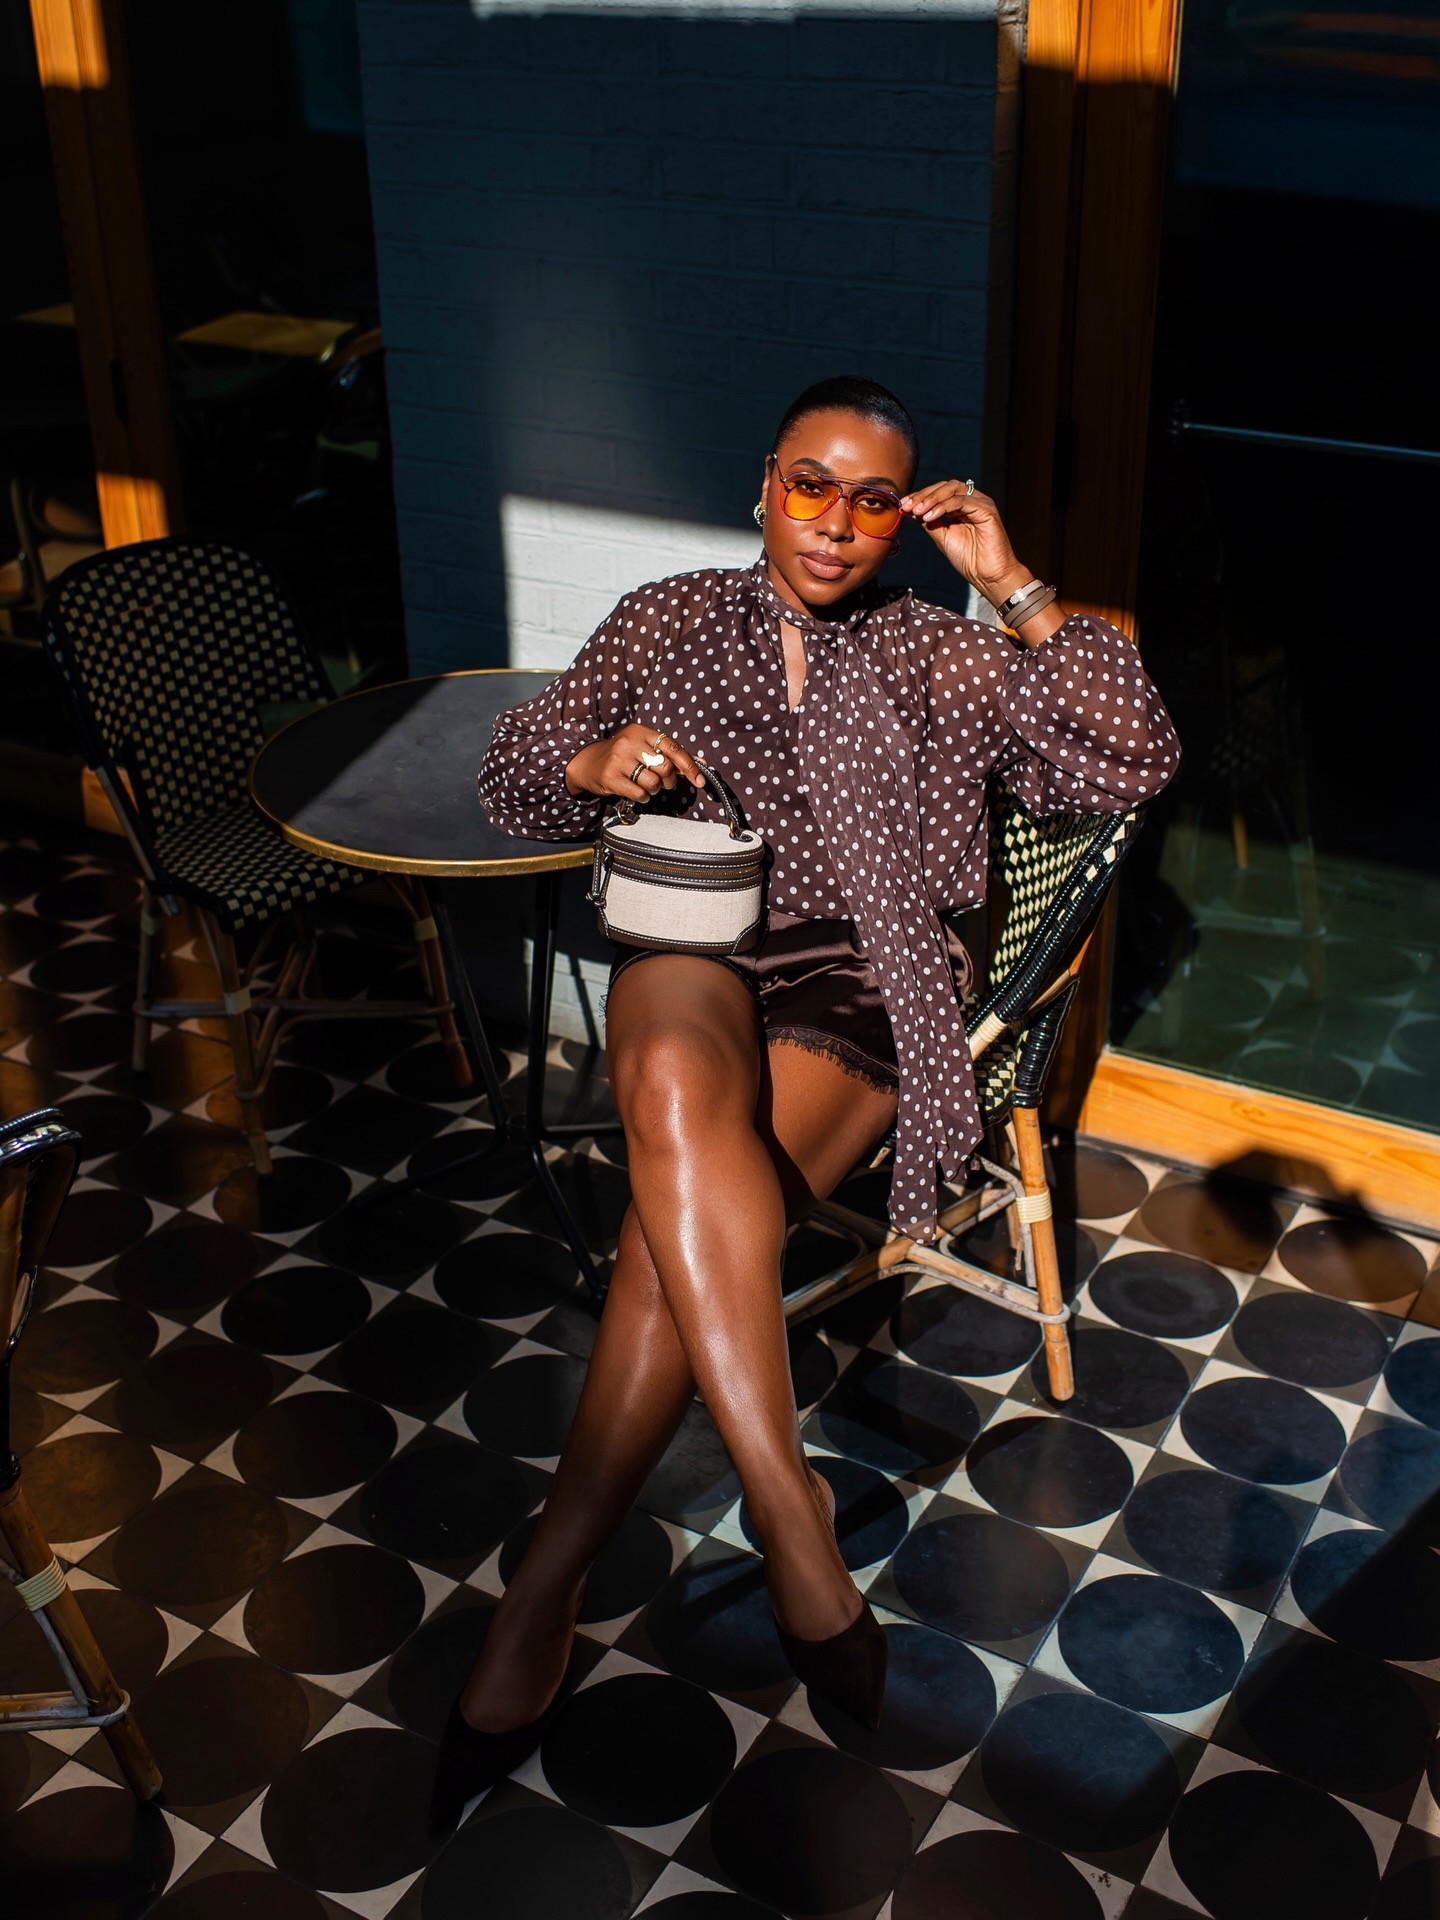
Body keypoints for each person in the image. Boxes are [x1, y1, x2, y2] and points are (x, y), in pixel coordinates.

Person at [436, 375, 1178, 1821]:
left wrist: (1013, 582)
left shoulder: (941, 657)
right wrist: (594, 759)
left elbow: (1131, 751)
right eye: (809, 485)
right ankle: (795, 1516)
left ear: (909, 520)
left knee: (665, 1243)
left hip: (858, 980)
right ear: (760, 485)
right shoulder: (665, 617)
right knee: (659, 1064)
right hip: (698, 941)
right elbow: (515, 777)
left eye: (874, 499)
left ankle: (540, 1595)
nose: (835, 522)